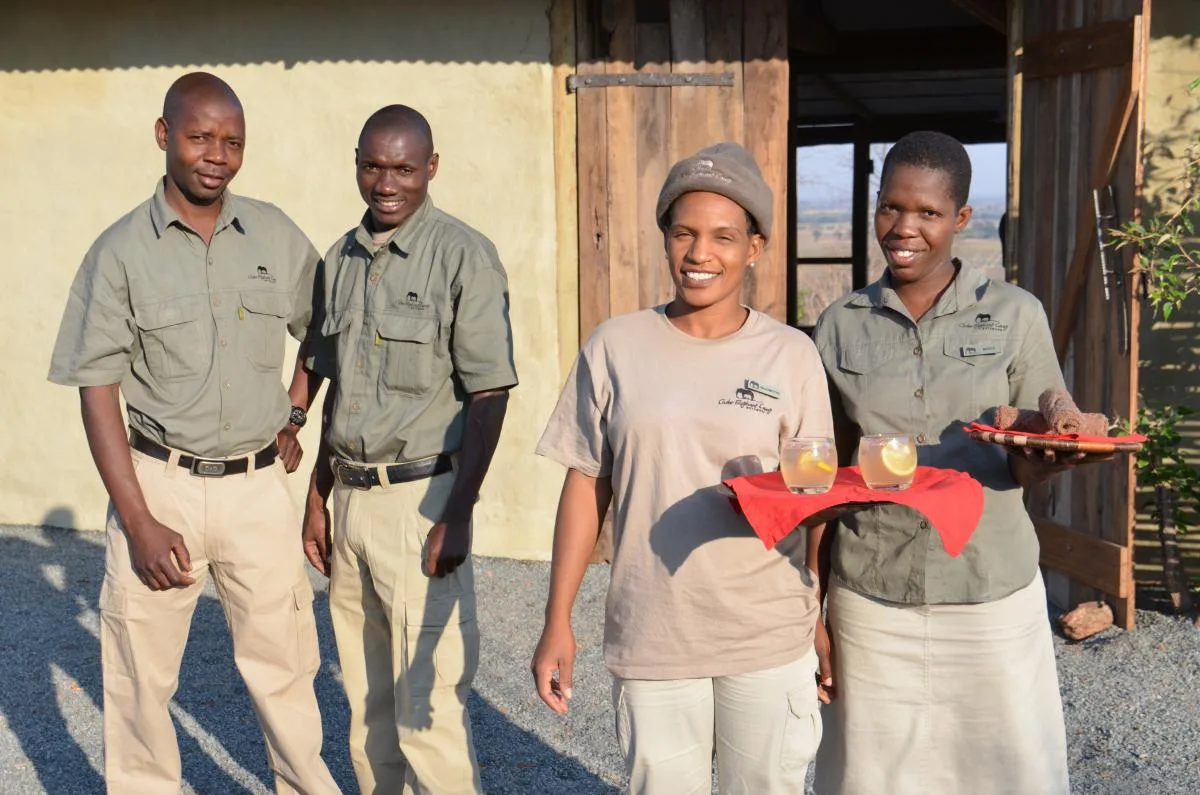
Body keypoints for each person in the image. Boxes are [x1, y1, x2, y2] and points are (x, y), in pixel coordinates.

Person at [47, 72, 341, 794]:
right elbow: (96, 389)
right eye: (200, 136)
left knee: (286, 671)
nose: (217, 155)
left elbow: (326, 330)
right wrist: (139, 519)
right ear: (163, 135)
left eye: (232, 141)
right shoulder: (120, 251)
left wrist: (294, 412)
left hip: (257, 491)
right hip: (160, 486)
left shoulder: (273, 233)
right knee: (139, 680)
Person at [532, 142, 836, 795]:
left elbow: (815, 496)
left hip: (766, 633)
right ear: (665, 238)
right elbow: (586, 482)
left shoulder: (790, 356)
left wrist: (817, 611)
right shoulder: (615, 346)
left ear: (754, 247)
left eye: (723, 236)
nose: (700, 253)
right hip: (653, 633)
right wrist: (558, 618)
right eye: (684, 233)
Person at [811, 130, 1090, 794]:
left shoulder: (1015, 315)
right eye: (891, 206)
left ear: (961, 217)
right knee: (871, 778)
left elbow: (1032, 446)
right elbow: (824, 475)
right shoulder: (841, 324)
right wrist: (813, 605)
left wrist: (1047, 459)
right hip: (872, 595)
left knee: (1009, 774)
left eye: (928, 212)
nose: (904, 228)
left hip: (989, 591)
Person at [296, 105, 517, 795]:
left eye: (403, 168)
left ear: (431, 168)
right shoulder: (341, 258)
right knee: (368, 709)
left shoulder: (462, 255)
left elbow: (490, 394)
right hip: (351, 501)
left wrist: (458, 511)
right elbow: (338, 386)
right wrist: (316, 496)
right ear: (357, 164)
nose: (386, 183)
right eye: (373, 166)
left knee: (428, 710)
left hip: (420, 504)